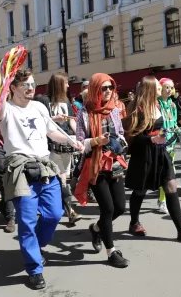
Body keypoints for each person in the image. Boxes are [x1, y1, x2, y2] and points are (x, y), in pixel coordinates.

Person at [0, 68, 84, 290]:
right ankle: (34, 269)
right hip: (20, 169)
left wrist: (71, 141)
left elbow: (52, 130)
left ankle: (36, 245)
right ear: (13, 88)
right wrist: (1, 80)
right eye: (25, 85)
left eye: (32, 84)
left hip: (45, 166)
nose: (30, 88)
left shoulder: (38, 107)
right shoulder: (6, 109)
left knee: (54, 213)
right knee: (26, 221)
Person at [124, 76, 181, 242]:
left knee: (171, 186)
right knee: (140, 190)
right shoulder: (138, 109)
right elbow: (133, 137)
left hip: (160, 152)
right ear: (150, 89)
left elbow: (161, 127)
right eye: (159, 88)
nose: (164, 90)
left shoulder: (158, 105)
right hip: (143, 155)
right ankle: (134, 222)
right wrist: (151, 139)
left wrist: (165, 133)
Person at [74, 73, 129, 268]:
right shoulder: (83, 113)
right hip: (95, 164)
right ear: (96, 90)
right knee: (108, 209)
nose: (108, 92)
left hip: (114, 162)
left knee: (120, 207)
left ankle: (96, 228)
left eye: (110, 88)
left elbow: (121, 133)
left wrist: (119, 142)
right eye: (104, 88)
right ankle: (111, 252)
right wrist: (97, 141)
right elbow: (79, 143)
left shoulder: (114, 110)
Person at [46, 72, 82, 225]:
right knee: (61, 178)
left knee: (63, 179)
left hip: (67, 145)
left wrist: (78, 136)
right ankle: (70, 210)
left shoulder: (66, 101)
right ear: (59, 83)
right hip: (51, 146)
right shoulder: (44, 100)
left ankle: (56, 207)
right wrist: (55, 118)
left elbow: (72, 122)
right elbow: (39, 120)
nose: (68, 85)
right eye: (66, 83)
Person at [156, 78, 178, 214]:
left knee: (170, 173)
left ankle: (163, 200)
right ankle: (162, 200)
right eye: (167, 87)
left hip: (172, 143)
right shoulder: (156, 104)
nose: (169, 90)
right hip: (160, 143)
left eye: (171, 87)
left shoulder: (172, 104)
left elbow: (174, 123)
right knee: (163, 174)